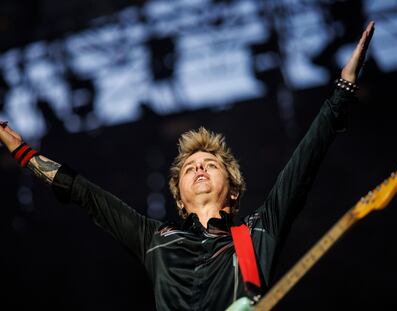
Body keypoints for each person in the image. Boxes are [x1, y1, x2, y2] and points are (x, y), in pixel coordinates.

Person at [0, 21, 375, 311]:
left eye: (210, 164)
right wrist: (21, 151)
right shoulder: (154, 239)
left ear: (234, 189)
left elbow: (305, 159)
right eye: (190, 167)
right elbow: (84, 194)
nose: (199, 169)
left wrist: (342, 89)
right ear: (178, 196)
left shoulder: (258, 233)